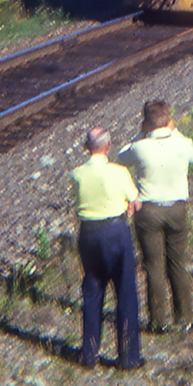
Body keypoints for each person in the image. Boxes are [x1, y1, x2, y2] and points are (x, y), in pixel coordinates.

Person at [117, 101, 193, 335]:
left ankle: (158, 321)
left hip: (149, 210)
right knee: (178, 263)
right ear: (169, 119)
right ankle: (185, 318)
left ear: (146, 122)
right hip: (177, 208)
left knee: (154, 266)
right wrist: (175, 131)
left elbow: (121, 157)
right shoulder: (181, 144)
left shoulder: (141, 146)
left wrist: (140, 133)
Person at [71, 127, 144, 369]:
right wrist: (130, 205)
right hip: (115, 231)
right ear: (108, 145)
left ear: (86, 147)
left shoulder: (77, 174)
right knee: (124, 291)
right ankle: (128, 356)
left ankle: (89, 353)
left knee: (92, 289)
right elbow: (136, 200)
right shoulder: (119, 172)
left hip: (88, 233)